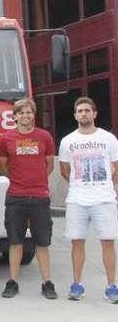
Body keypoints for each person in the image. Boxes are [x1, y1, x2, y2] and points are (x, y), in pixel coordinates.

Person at [58, 96, 118, 303]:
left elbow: (116, 167)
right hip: (77, 200)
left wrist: (104, 185)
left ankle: (111, 286)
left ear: (94, 113)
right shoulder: (68, 141)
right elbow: (65, 171)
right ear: (75, 115)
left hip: (104, 199)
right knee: (77, 243)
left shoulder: (108, 139)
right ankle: (77, 285)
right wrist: (81, 185)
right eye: (80, 111)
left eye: (87, 110)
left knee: (108, 242)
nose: (83, 114)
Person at [0, 98, 57, 299]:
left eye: (29, 112)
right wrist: (19, 180)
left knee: (42, 242)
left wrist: (36, 180)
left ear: (34, 115)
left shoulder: (45, 136)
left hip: (40, 196)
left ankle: (47, 283)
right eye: (21, 113)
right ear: (14, 116)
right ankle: (13, 282)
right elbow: (3, 165)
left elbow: (49, 165)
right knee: (15, 242)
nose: (26, 116)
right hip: (16, 196)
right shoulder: (6, 138)